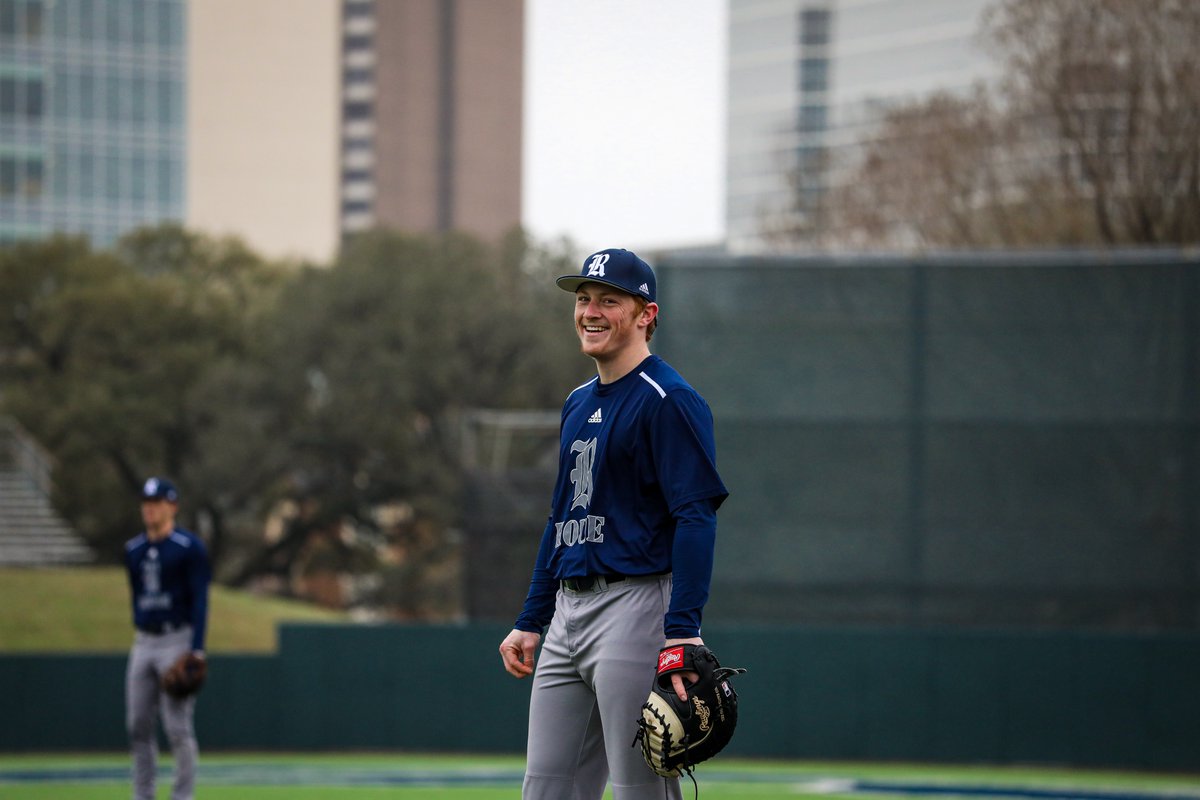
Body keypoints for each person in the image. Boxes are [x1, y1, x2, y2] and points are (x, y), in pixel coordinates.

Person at [498, 248, 728, 799]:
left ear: (647, 314)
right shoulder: (576, 402)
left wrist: (682, 631)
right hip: (566, 614)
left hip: (635, 607)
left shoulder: (668, 399)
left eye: (609, 300)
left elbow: (695, 516)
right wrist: (532, 618)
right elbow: (561, 519)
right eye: (583, 299)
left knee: (638, 788)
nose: (591, 311)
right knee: (545, 787)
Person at [124, 476, 211, 800]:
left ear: (172, 506)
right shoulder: (133, 550)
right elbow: (135, 595)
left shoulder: (188, 548)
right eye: (146, 504)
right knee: (137, 725)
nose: (150, 510)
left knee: (176, 727)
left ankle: (181, 797)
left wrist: (197, 649)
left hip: (177, 638)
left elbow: (200, 600)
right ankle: (143, 796)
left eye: (157, 504)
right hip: (144, 640)